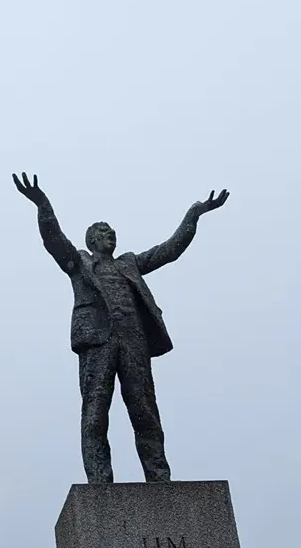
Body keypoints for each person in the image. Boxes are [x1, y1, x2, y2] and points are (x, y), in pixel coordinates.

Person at [13, 172, 228, 483]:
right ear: (91, 240)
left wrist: (195, 212)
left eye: (111, 230)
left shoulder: (129, 263)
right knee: (95, 414)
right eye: (103, 231)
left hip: (133, 340)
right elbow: (53, 238)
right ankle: (100, 484)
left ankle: (159, 478)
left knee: (145, 412)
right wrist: (42, 204)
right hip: (98, 341)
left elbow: (168, 251)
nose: (110, 233)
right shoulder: (79, 263)